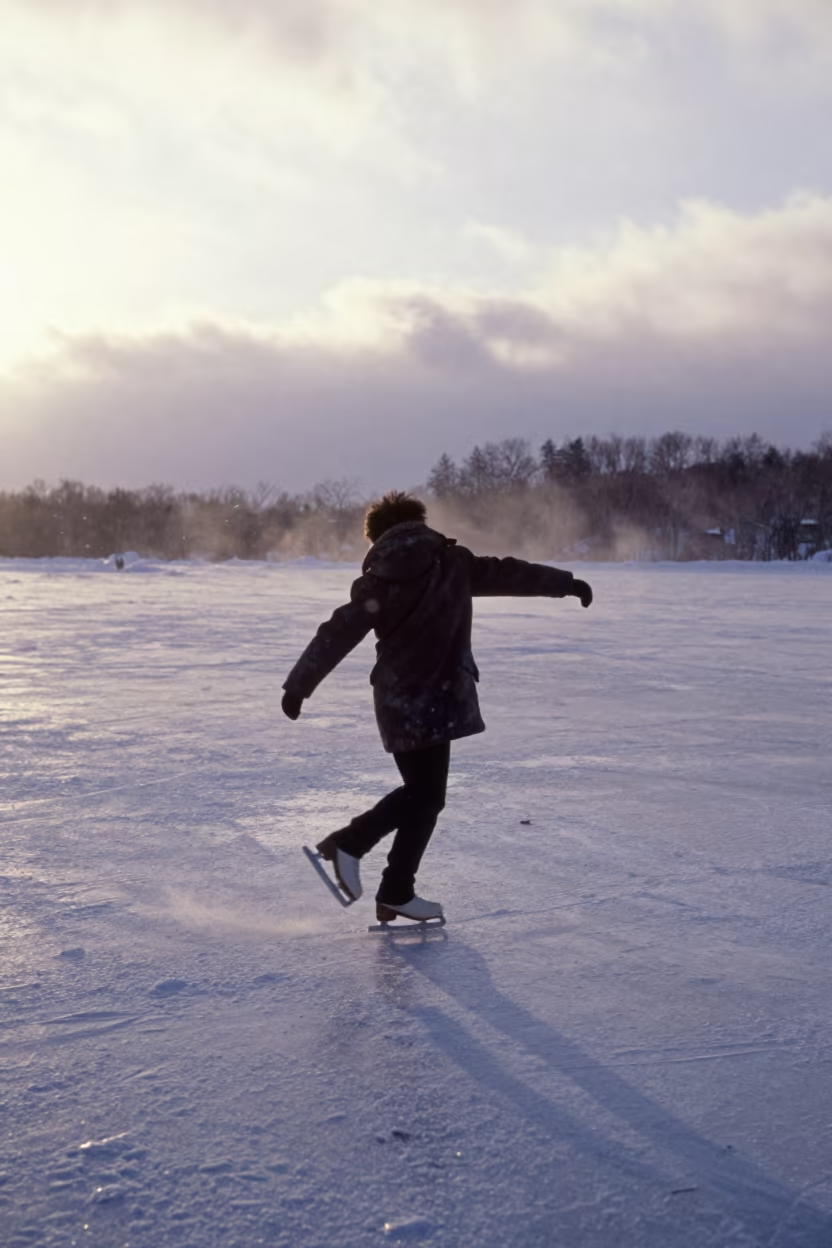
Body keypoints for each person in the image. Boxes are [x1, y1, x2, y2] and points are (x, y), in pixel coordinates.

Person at [282, 491, 593, 924]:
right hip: (441, 695)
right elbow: (508, 574)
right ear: (419, 522)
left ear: (377, 536)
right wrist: (565, 583)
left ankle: (394, 888)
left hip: (399, 698)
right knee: (425, 795)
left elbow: (339, 630)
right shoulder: (453, 563)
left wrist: (299, 685)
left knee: (425, 796)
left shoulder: (381, 577)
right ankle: (352, 848)